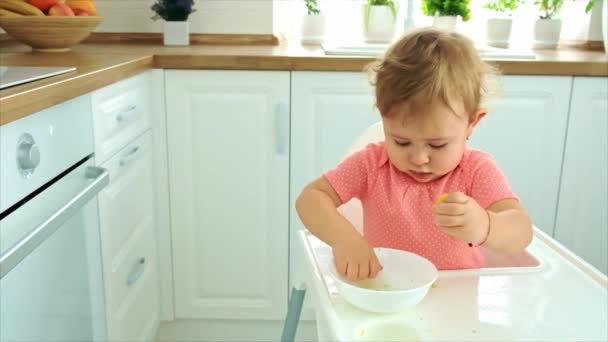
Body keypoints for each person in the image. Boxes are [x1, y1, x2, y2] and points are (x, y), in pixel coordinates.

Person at [295, 27, 533, 281]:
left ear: (472, 123)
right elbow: (310, 198)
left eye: (437, 145)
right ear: (384, 117)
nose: (419, 158)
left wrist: (485, 226)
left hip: (456, 302)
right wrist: (346, 240)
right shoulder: (372, 164)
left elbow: (522, 231)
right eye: (401, 142)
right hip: (387, 291)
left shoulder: (475, 170)